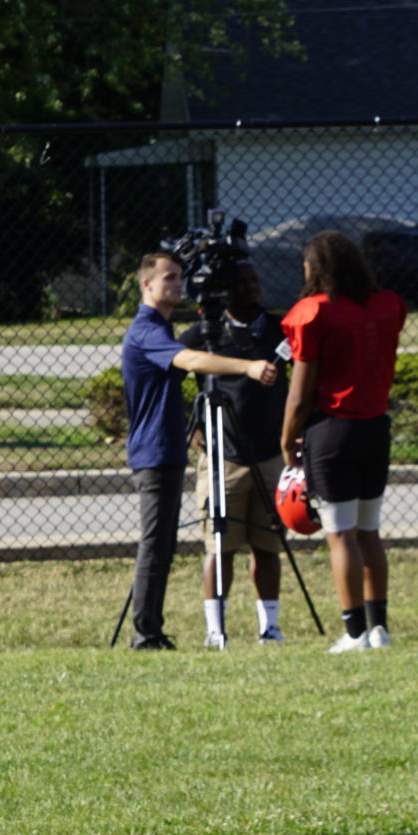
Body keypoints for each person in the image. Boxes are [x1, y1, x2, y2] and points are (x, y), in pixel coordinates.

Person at [120, 250, 280, 650]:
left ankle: (152, 628)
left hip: (167, 451)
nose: (177, 284)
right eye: (168, 278)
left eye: (180, 277)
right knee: (155, 545)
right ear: (147, 285)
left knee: (163, 545)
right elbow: (189, 359)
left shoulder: (160, 327)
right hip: (154, 453)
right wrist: (246, 367)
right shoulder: (147, 329)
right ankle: (146, 633)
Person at [279, 232, 406, 651]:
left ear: (317, 267)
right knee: (369, 532)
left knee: (340, 534)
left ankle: (354, 632)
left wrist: (286, 437)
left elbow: (300, 392)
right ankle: (379, 628)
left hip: (331, 431)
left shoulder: (312, 312)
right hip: (375, 427)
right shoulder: (387, 304)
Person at [181, 258, 292, 645]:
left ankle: (271, 626)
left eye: (253, 278)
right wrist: (190, 423)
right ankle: (216, 629)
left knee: (268, 544)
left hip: (271, 453)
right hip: (222, 456)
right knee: (220, 545)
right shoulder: (205, 334)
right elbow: (164, 375)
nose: (251, 286)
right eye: (240, 281)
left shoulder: (280, 328)